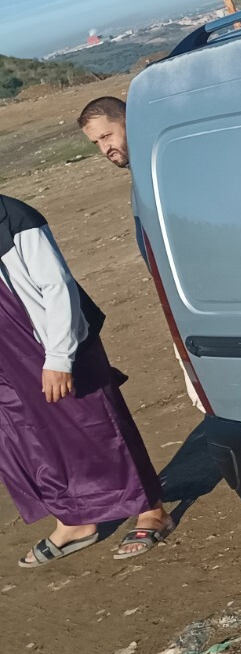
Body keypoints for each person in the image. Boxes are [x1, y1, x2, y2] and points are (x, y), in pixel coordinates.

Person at [3, 194, 173, 567]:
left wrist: (60, 357)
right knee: (25, 437)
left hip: (46, 341)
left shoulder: (13, 217)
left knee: (97, 426)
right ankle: (73, 520)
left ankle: (151, 510)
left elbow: (57, 285)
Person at [79, 96, 204, 412]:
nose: (104, 149)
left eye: (107, 136)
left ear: (128, 121)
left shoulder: (166, 168)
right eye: (96, 143)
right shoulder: (145, 175)